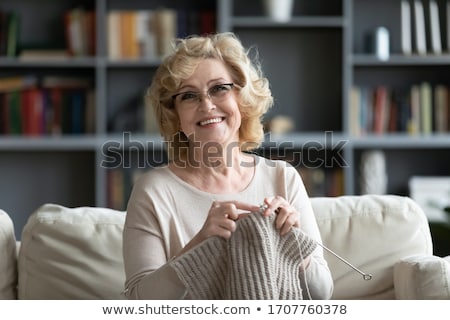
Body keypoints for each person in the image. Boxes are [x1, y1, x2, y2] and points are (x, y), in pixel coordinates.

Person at [122, 32, 334, 299]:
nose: (207, 105)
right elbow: (137, 301)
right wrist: (200, 243)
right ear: (175, 114)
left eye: (219, 88)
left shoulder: (284, 177)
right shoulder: (152, 191)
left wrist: (294, 243)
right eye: (189, 96)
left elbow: (321, 293)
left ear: (241, 99)